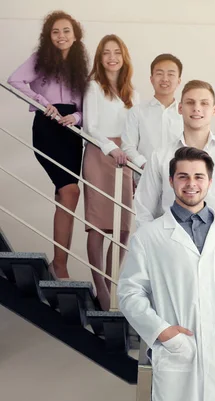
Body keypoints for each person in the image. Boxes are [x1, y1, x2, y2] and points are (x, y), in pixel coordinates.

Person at [118, 147, 215, 401]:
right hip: (178, 355)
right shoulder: (150, 237)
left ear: (210, 181)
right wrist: (161, 332)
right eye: (183, 176)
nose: (191, 184)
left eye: (199, 176)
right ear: (171, 181)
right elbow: (130, 292)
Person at [8, 10, 89, 280]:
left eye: (66, 31)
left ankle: (58, 263)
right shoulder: (40, 60)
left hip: (72, 132)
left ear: (75, 35)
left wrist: (76, 117)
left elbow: (87, 105)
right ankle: (61, 265)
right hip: (48, 128)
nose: (61, 36)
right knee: (70, 192)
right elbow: (15, 80)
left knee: (65, 195)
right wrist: (43, 103)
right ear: (48, 36)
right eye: (55, 31)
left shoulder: (81, 67)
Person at [135, 80, 215, 232]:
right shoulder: (160, 156)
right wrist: (156, 244)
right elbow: (143, 210)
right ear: (180, 108)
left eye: (204, 103)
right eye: (190, 102)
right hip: (172, 246)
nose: (197, 109)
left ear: (214, 110)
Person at [82, 34, 139, 310]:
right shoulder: (93, 86)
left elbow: (135, 133)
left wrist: (133, 164)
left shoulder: (132, 93)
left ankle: (113, 283)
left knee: (123, 228)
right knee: (98, 224)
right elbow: (90, 127)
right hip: (99, 153)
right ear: (100, 57)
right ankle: (101, 289)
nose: (112, 57)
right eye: (106, 52)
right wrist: (109, 148)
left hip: (124, 158)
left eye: (117, 52)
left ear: (124, 56)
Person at [121, 53, 183, 171]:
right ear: (151, 79)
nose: (165, 79)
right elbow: (128, 147)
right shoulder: (137, 112)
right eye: (159, 73)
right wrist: (146, 166)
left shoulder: (186, 113)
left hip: (180, 179)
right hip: (144, 176)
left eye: (171, 74)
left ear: (179, 80)